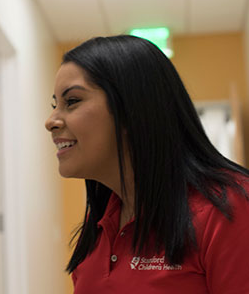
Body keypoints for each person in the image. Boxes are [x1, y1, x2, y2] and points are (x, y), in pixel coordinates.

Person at [45, 35, 249, 292]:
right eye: (55, 105)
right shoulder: (100, 222)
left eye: (72, 101)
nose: (50, 120)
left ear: (131, 110)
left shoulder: (229, 207)